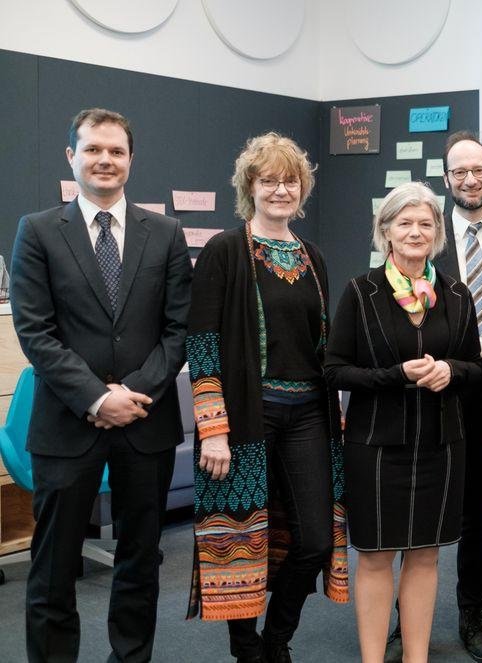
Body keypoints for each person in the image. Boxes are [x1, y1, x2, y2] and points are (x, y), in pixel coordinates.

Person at [10, 107, 191, 662]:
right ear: (72, 157)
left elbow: (178, 328)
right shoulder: (39, 231)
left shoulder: (164, 233)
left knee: (141, 562)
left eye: (115, 151)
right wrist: (96, 397)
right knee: (53, 569)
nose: (104, 160)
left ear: (131, 160)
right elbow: (35, 332)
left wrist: (131, 394)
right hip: (67, 426)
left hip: (145, 423)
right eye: (93, 149)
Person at [185, 133, 348, 663]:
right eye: (269, 180)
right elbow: (202, 343)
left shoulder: (312, 256)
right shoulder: (224, 251)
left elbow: (322, 345)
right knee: (240, 539)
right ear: (249, 187)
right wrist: (213, 426)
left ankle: (278, 638)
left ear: (303, 190)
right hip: (245, 419)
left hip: (307, 416)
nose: (281, 190)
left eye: (291, 181)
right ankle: (247, 649)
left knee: (315, 541)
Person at [383, 131, 482, 663]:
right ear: (446, 179)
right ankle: (407, 622)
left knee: (480, 508)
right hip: (426, 380)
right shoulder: (423, 227)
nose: (470, 180)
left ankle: (472, 614)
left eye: (479, 170)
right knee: (415, 503)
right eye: (458, 173)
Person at [325, 181, 482, 663]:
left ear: (437, 232)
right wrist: (394, 376)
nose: (416, 232)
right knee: (374, 557)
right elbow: (333, 370)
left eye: (426, 223)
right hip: (376, 446)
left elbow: (477, 367)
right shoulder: (361, 291)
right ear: (386, 231)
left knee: (427, 555)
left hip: (441, 444)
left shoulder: (456, 293)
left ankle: (417, 658)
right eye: (405, 222)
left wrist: (450, 370)